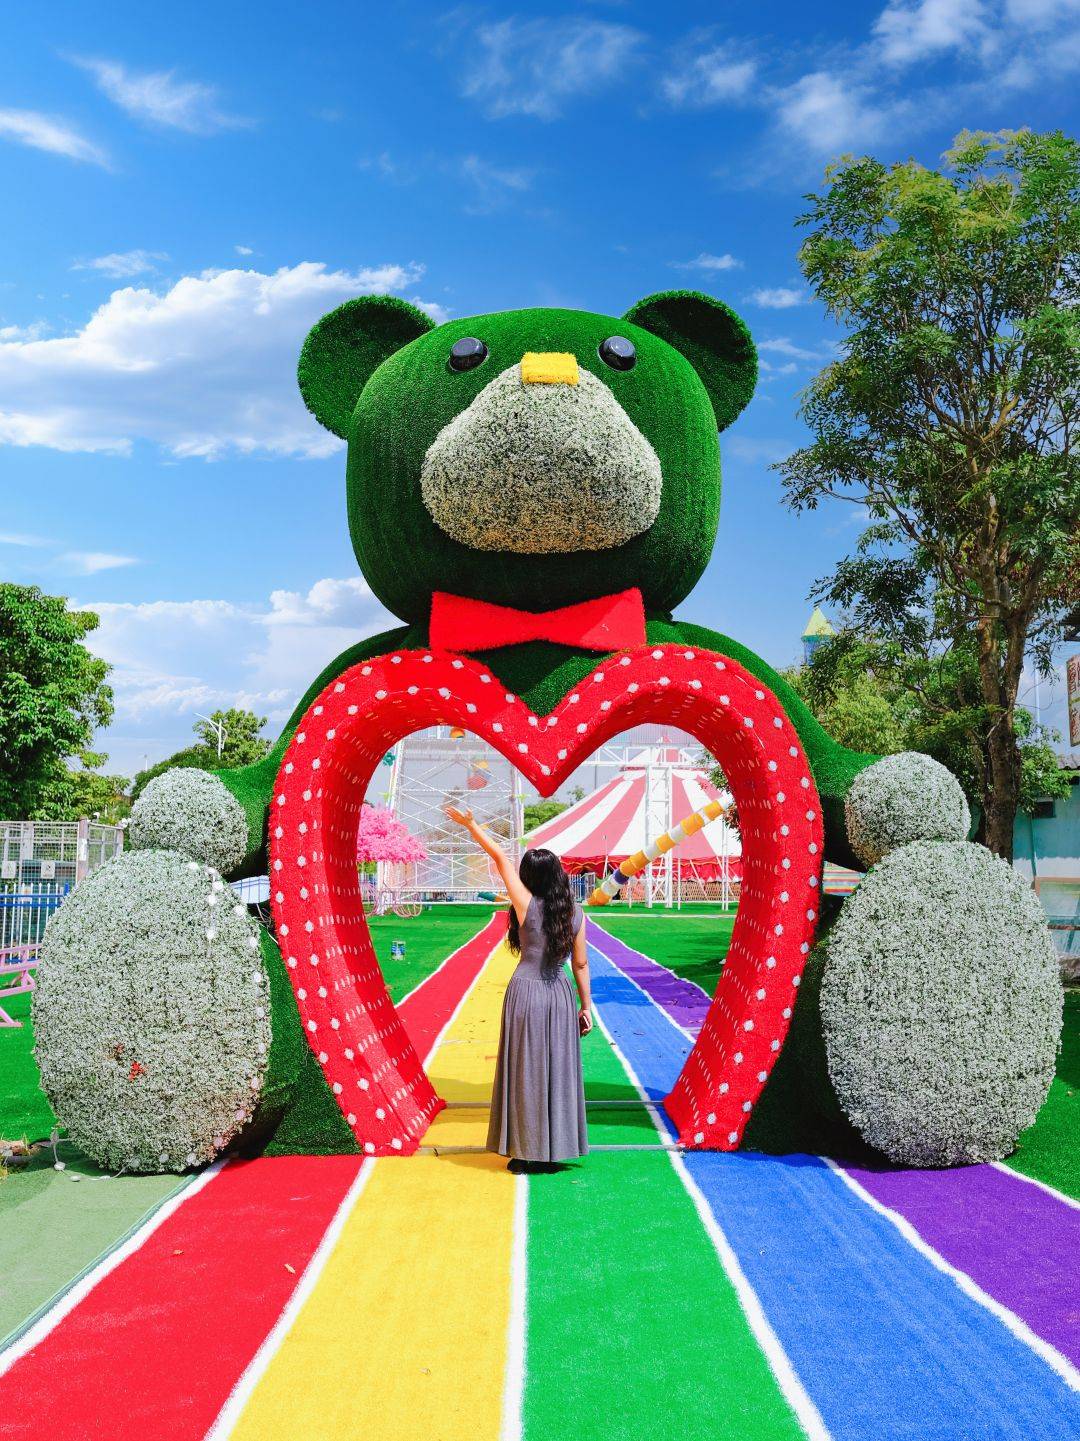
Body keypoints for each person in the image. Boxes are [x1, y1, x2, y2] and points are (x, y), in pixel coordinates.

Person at [444, 805, 590, 1173]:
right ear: (558, 875)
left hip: (525, 992)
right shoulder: (575, 913)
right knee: (557, 1069)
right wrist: (586, 1006)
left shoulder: (524, 904)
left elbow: (498, 857)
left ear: (528, 877)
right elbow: (581, 964)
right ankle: (553, 1149)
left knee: (525, 1071)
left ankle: (524, 1151)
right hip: (559, 993)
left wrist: (472, 824)